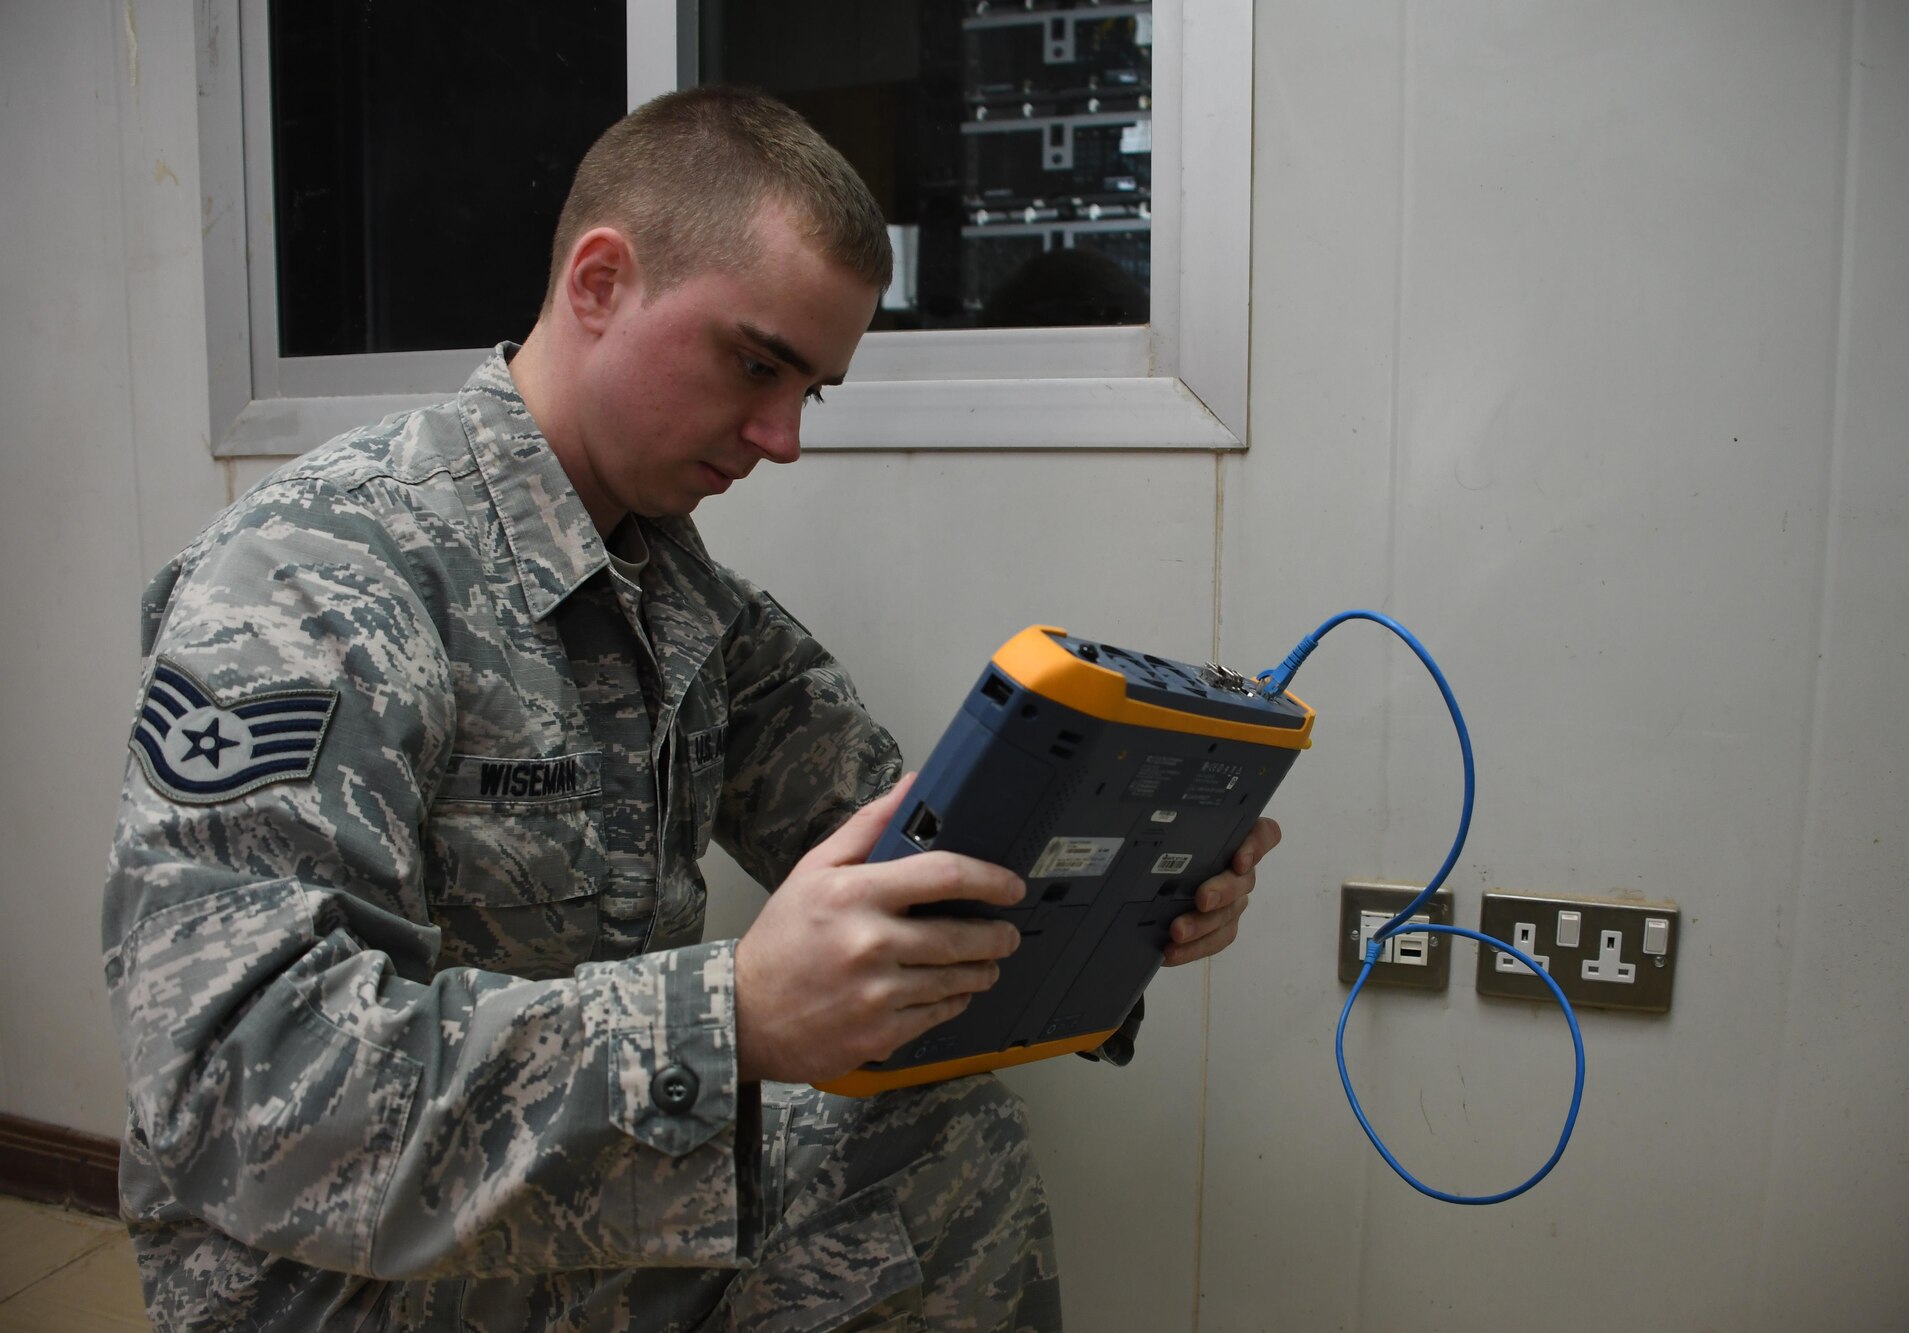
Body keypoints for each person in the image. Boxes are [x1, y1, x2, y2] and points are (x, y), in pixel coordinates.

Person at [102, 87, 1279, 1332]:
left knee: (940, 1133)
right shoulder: (315, 581)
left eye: (810, 391)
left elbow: (921, 853)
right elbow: (242, 1095)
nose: (780, 438)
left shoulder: (679, 597)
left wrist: (1124, 889)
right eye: (756, 362)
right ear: (599, 283)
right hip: (332, 1268)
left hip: (559, 1190)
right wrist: (734, 1016)